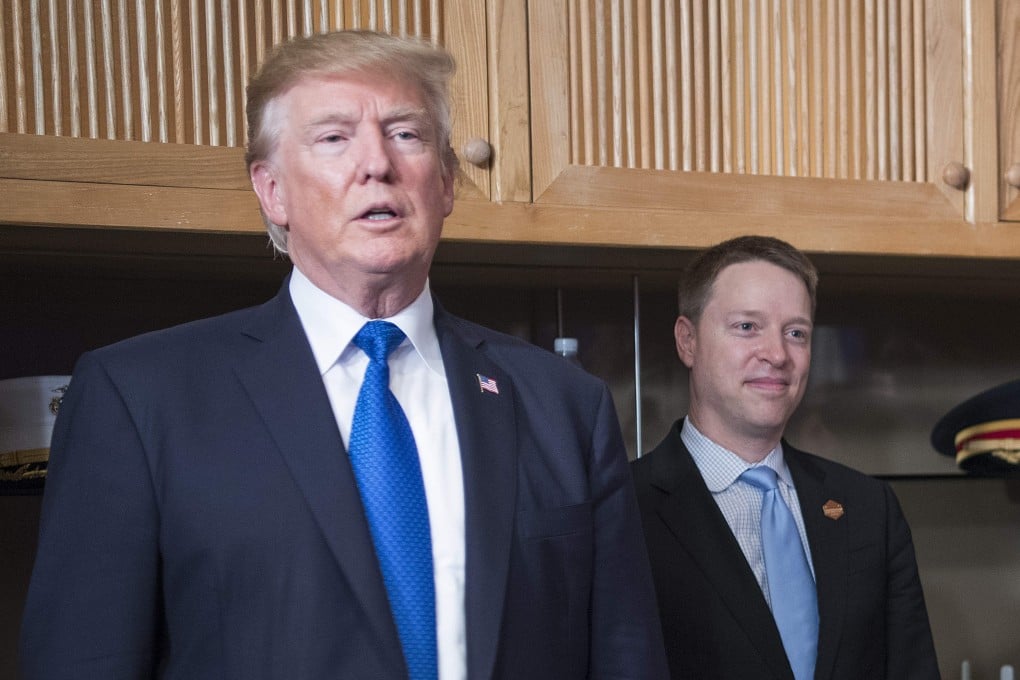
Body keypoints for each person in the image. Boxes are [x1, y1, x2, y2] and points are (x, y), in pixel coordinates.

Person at [20, 31, 668, 680]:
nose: (377, 163)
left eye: (407, 134)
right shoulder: (136, 398)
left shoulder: (564, 405)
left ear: (445, 183)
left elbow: (624, 656)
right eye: (334, 137)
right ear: (272, 190)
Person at [631, 235, 940, 679]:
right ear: (688, 341)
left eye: (795, 333)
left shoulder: (870, 509)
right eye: (747, 327)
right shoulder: (622, 509)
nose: (777, 354)